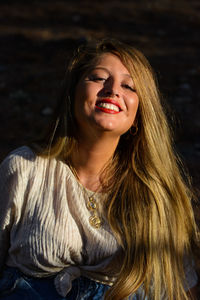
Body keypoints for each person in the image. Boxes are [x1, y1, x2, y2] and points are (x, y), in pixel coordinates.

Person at [0, 39, 199, 300]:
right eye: (99, 78)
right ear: (72, 94)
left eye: (128, 86)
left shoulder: (156, 193)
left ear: (139, 114)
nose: (113, 90)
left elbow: (182, 289)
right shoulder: (24, 169)